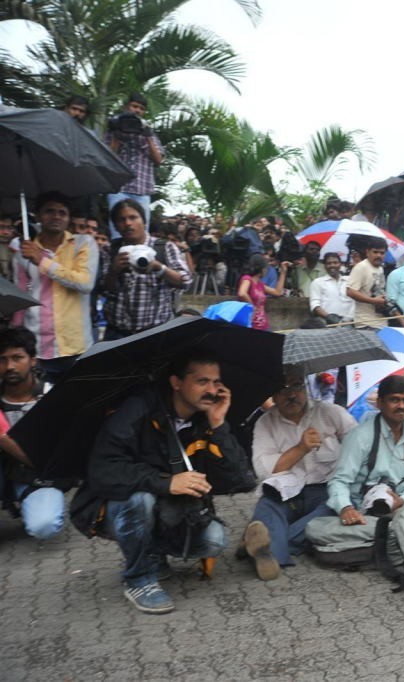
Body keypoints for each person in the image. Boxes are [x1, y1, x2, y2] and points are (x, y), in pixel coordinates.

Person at [70, 350, 250, 614]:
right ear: (176, 382)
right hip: (115, 507)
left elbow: (241, 480)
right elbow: (103, 470)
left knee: (214, 541)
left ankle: (150, 551)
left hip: (171, 511)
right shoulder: (137, 409)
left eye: (216, 382)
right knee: (140, 500)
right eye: (202, 382)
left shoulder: (204, 417)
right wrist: (167, 482)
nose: (212, 391)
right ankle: (138, 579)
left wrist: (219, 424)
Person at [243, 368, 358, 580]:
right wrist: (300, 449)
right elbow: (264, 471)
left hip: (325, 490)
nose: (291, 394)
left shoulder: (331, 413)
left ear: (306, 387)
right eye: (283, 389)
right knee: (267, 506)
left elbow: (359, 447)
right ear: (273, 395)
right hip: (287, 492)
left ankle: (267, 548)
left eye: (297, 386)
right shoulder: (265, 423)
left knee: (333, 510)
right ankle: (269, 545)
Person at [11, 192, 98, 383]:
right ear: (38, 215)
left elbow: (85, 283)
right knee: (40, 400)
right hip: (38, 347)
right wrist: (14, 339)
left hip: (76, 346)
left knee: (76, 399)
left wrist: (42, 261)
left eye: (62, 212)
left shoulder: (83, 244)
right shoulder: (23, 252)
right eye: (49, 211)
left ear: (68, 218)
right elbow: (20, 298)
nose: (56, 216)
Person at [326, 376, 404, 527]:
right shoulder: (360, 436)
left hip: (401, 507)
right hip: (362, 509)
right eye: (394, 400)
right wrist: (346, 508)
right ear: (380, 403)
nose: (401, 406)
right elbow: (339, 480)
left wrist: (402, 500)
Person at [0, 328, 66, 540]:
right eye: (2, 359)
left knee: (44, 525)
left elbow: (56, 455)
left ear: (33, 360)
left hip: (36, 476)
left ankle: (32, 502)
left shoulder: (51, 397)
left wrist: (4, 440)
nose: (9, 366)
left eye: (17, 358)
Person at [102, 199, 191, 339]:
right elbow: (105, 289)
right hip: (117, 333)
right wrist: (114, 270)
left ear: (144, 222)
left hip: (155, 334)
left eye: (133, 217)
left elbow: (185, 281)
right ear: (116, 226)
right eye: (121, 220)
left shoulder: (164, 247)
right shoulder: (111, 249)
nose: (128, 223)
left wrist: (159, 268)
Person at [104, 92, 164, 236]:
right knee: (117, 232)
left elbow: (158, 160)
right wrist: (117, 134)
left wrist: (148, 136)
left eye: (141, 108)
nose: (137, 110)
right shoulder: (114, 128)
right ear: (127, 107)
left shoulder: (148, 131)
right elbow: (106, 157)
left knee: (140, 233)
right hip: (118, 188)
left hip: (141, 190)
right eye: (134, 106)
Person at [237, 254, 288, 331]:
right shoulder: (247, 279)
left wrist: (283, 272)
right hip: (250, 324)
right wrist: (252, 306)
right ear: (261, 269)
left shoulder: (260, 285)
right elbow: (242, 293)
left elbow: (277, 292)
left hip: (263, 325)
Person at [346, 236, 388, 329]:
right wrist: (373, 301)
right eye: (375, 252)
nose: (379, 255)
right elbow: (350, 291)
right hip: (366, 323)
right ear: (367, 252)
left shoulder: (380, 268)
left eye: (382, 253)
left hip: (381, 322)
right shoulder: (361, 267)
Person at [309, 252, 354, 324]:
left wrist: (348, 319)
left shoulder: (349, 281)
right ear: (324, 266)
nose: (332, 265)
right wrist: (329, 317)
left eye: (335, 263)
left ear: (340, 264)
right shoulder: (317, 282)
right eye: (329, 263)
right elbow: (315, 305)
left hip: (350, 323)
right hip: (327, 323)